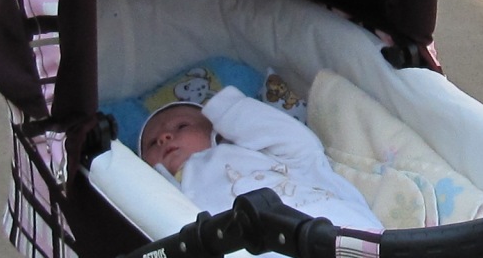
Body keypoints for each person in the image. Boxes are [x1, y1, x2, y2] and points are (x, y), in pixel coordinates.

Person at [141, 88, 382, 231]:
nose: (164, 137)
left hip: (318, 212)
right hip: (256, 245)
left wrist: (228, 110)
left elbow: (299, 143)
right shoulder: (171, 191)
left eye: (182, 126)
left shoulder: (252, 149)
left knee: (359, 235)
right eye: (151, 143)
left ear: (216, 128)